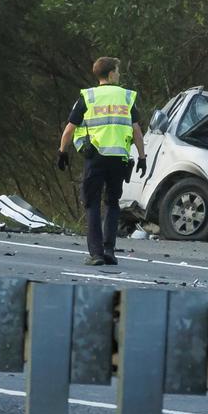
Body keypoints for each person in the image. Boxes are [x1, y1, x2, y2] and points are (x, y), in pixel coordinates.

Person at [57, 57, 147, 266]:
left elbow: (70, 128)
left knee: (92, 204)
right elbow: (137, 131)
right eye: (117, 70)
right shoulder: (125, 97)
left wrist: (62, 152)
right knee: (113, 204)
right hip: (119, 159)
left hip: (95, 157)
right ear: (110, 74)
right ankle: (109, 251)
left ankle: (95, 254)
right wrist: (142, 157)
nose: (119, 74)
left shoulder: (87, 97)